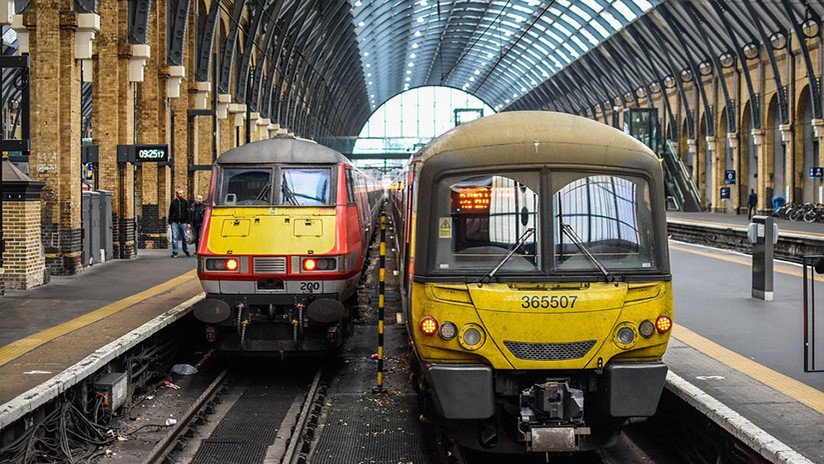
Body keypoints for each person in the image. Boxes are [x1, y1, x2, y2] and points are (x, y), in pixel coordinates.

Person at [168, 189, 191, 257]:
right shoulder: (173, 203)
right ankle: (175, 252)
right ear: (177, 195)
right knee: (175, 237)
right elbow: (170, 212)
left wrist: (189, 222)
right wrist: (170, 222)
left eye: (182, 193)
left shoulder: (185, 202)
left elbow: (188, 213)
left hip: (183, 222)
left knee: (185, 237)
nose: (182, 195)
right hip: (175, 222)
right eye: (180, 193)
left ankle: (185, 250)